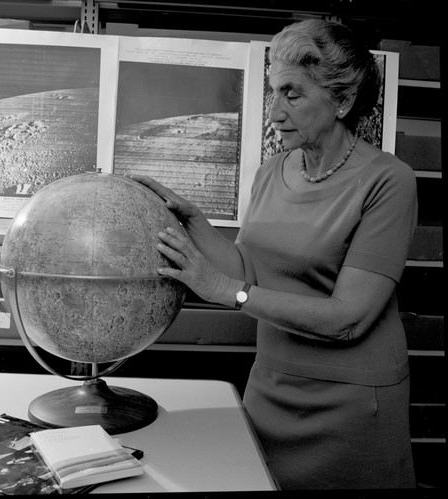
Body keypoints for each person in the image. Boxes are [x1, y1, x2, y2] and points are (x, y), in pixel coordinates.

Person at [131, 18, 417, 490]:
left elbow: (349, 317)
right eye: (272, 91)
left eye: (292, 94)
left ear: (342, 101)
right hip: (271, 388)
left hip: (350, 406)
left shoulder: (390, 181)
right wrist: (196, 224)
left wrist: (228, 293)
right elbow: (250, 269)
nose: (273, 111)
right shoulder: (273, 170)